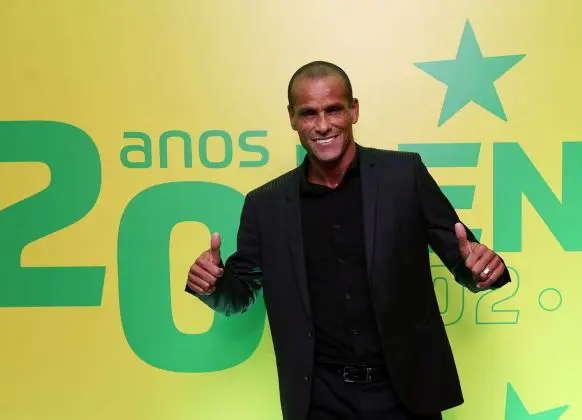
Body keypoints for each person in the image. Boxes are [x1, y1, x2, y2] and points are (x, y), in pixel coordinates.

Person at [185, 61, 511, 420]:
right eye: (308, 113)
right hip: (320, 400)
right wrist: (212, 287)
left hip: (406, 394)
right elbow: (241, 291)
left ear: (354, 110)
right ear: (292, 117)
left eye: (333, 109)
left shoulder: (404, 176)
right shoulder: (265, 205)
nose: (323, 125)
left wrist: (481, 271)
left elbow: (462, 255)